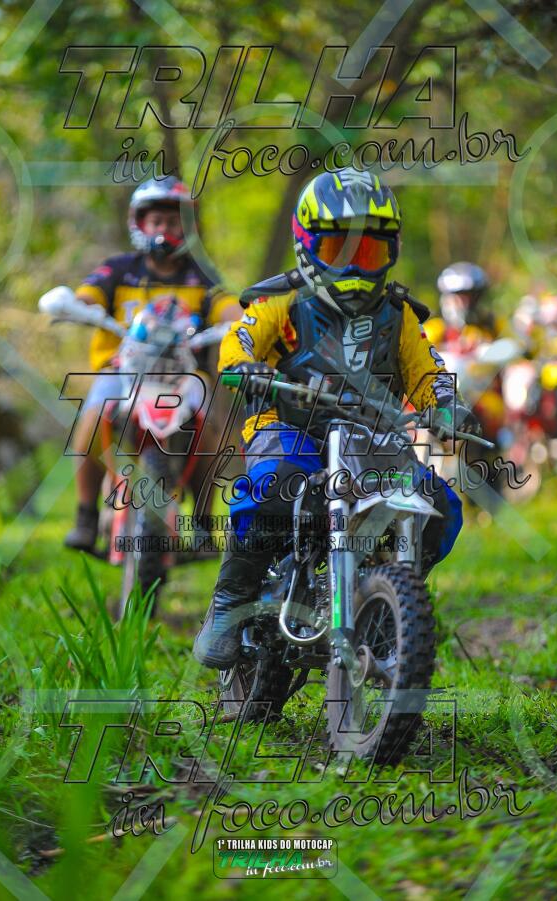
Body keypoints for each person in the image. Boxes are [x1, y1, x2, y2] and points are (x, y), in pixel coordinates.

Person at [193, 167, 479, 669]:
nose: (353, 266)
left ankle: (392, 595)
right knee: (271, 487)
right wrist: (246, 367)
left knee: (441, 505)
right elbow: (239, 341)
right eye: (337, 250)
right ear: (307, 246)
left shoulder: (399, 315)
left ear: (390, 252)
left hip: (371, 439)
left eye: (366, 252)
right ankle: (229, 604)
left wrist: (445, 405)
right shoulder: (279, 300)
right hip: (290, 429)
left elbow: (427, 372)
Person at [64, 176, 237, 552]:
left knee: (210, 427)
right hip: (121, 370)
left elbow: (229, 307)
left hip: (183, 374)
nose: (165, 229)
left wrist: (246, 318)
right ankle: (85, 515)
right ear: (140, 223)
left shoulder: (202, 275)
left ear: (187, 226)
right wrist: (76, 306)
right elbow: (88, 295)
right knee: (93, 414)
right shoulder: (119, 269)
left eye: (174, 221)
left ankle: (203, 524)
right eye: (156, 221)